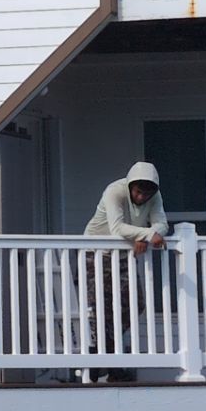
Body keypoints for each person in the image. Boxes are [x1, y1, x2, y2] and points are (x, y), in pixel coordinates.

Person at [82, 161, 169, 379]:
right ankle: (108, 363)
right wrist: (146, 235)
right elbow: (117, 228)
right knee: (101, 309)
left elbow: (162, 224)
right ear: (131, 186)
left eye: (146, 194)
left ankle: (103, 354)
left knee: (134, 305)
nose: (141, 198)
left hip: (123, 255)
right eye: (138, 192)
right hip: (96, 253)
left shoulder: (154, 196)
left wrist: (145, 235)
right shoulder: (115, 191)